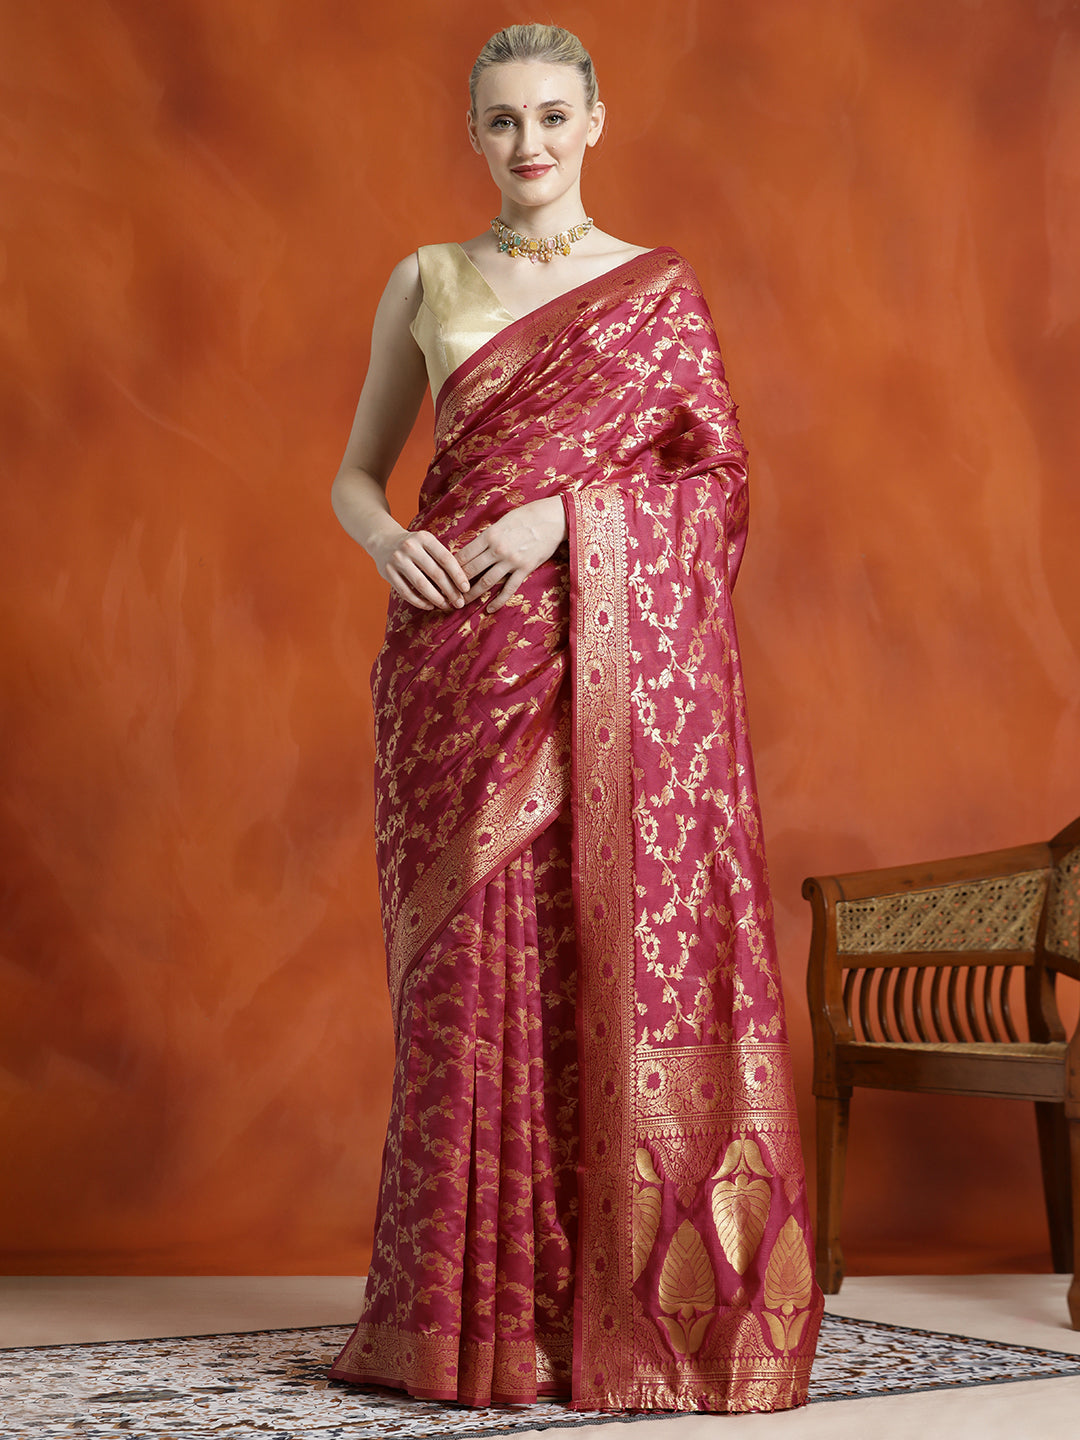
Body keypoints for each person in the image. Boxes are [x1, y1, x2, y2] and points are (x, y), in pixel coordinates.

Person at [327, 22, 822, 1415]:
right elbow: (357, 476)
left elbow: (717, 485)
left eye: (552, 115)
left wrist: (566, 517)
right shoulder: (428, 279)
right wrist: (387, 542)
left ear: (597, 120)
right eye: (501, 121)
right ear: (473, 133)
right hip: (454, 674)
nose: (528, 144)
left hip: (609, 680)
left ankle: (608, 1315)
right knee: (469, 994)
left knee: (592, 967)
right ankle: (468, 1330)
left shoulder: (656, 292)